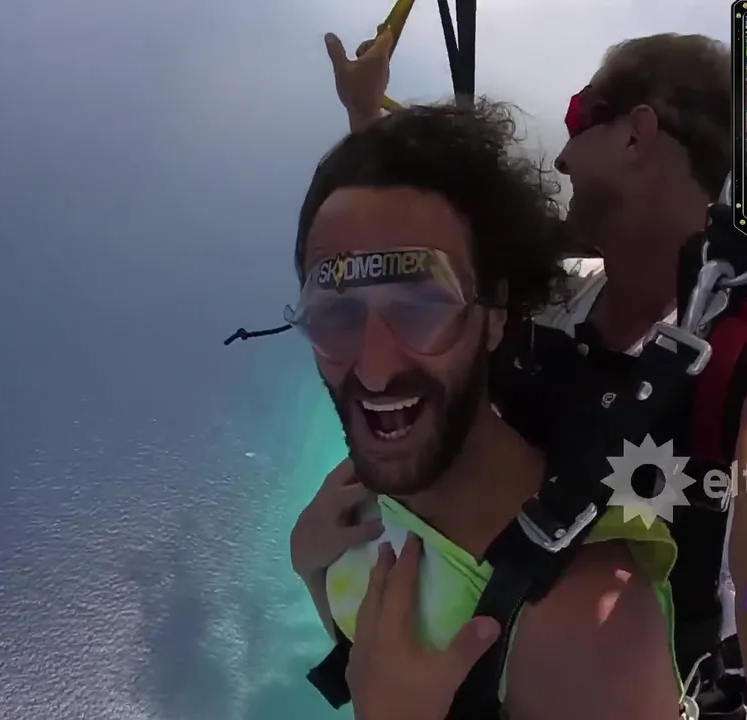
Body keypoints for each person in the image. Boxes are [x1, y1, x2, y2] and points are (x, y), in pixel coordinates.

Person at [294, 26, 747, 720]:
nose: (561, 159)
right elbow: (421, 265)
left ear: (636, 133)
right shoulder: (564, 299)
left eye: (578, 120)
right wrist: (366, 118)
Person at [291, 101, 684, 719]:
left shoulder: (590, 627)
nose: (373, 369)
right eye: (336, 313)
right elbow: (367, 648)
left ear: (495, 317)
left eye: (421, 307)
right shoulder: (356, 496)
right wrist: (309, 566)